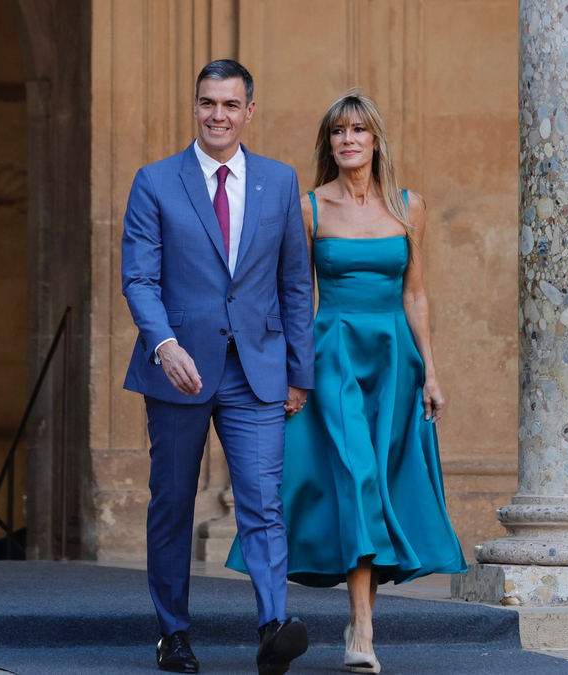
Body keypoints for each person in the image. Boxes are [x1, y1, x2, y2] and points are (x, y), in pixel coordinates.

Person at [227, 91, 467, 674]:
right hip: (332, 354)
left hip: (394, 361)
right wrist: (292, 372)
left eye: (359, 129)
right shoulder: (309, 208)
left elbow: (415, 293)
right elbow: (293, 295)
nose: (348, 139)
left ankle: (361, 619)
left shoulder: (410, 206)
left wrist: (431, 372)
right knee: (358, 477)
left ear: (376, 140)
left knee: (379, 486)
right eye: (338, 131)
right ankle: (362, 626)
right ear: (328, 143)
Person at [121, 59, 315, 675]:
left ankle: (273, 627)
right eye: (208, 103)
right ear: (195, 106)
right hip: (178, 369)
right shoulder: (155, 181)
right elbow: (139, 278)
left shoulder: (279, 182)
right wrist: (163, 344)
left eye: (231, 105)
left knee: (263, 502)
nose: (218, 115)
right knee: (173, 503)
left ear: (249, 111)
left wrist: (299, 373)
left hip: (256, 370)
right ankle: (173, 634)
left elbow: (294, 283)